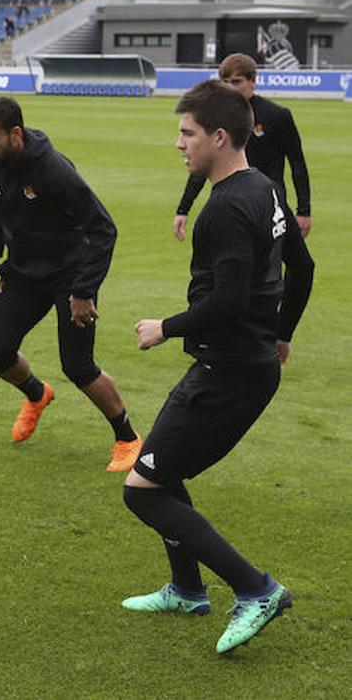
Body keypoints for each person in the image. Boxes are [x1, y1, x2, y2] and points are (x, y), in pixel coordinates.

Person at [124, 79, 299, 654]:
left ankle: (256, 589)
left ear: (219, 137)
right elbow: (306, 267)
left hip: (228, 372)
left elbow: (224, 301)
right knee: (163, 470)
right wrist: (280, 335)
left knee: (143, 491)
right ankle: (186, 589)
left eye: (187, 133)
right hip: (238, 362)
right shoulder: (265, 188)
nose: (179, 144)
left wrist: (163, 328)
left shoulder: (225, 207)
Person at [0, 97, 140, 470]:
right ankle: (36, 394)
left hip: (70, 274)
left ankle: (128, 437)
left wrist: (83, 291)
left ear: (15, 133)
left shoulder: (53, 170)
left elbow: (103, 229)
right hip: (23, 271)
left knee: (78, 366)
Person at [171, 54, 313, 364]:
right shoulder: (217, 122)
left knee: (255, 281)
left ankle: (256, 343)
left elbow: (297, 164)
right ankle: (254, 343)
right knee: (241, 281)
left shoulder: (277, 116)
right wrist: (184, 208)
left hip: (268, 205)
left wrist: (303, 208)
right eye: (225, 81)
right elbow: (203, 167)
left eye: (236, 81)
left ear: (253, 80)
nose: (231, 88)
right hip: (238, 201)